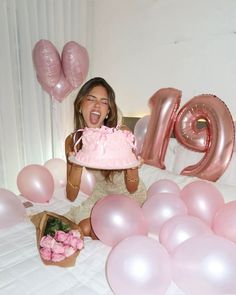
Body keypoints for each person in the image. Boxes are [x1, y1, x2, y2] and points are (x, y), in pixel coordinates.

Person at [64, 77, 146, 238]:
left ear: (108, 111)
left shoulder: (120, 134)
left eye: (103, 102)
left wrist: (133, 167)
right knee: (71, 225)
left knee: (87, 228)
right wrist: (76, 163)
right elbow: (71, 195)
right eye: (91, 99)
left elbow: (132, 188)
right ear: (80, 105)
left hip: (128, 197)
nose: (96, 105)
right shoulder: (73, 141)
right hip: (101, 195)